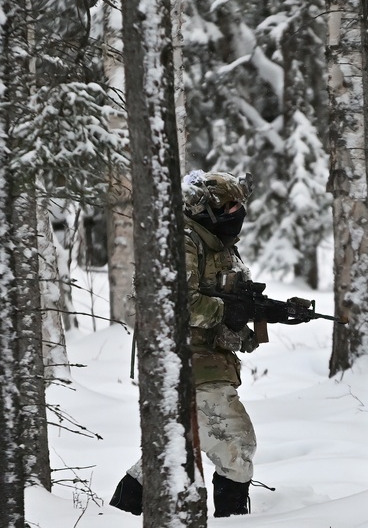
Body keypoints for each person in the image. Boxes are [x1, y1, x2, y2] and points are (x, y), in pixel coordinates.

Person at [110, 170, 260, 518]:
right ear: (207, 208)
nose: (237, 212)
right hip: (187, 361)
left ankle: (119, 513)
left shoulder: (219, 245)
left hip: (209, 362)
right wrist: (227, 312)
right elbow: (178, 301)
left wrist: (259, 316)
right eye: (230, 205)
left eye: (239, 204)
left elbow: (228, 302)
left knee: (178, 446)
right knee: (236, 443)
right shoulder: (184, 241)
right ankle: (233, 522)